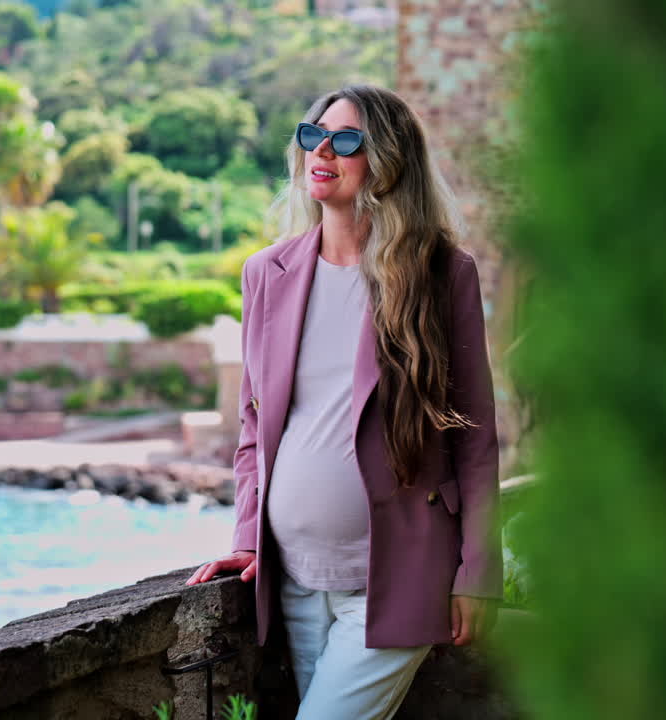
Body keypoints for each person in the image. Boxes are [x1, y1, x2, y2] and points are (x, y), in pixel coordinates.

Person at [186, 85, 502, 718]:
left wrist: (477, 573)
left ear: (387, 161)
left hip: (399, 577)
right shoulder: (266, 274)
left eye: (347, 140)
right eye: (312, 134)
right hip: (296, 582)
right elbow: (255, 426)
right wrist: (248, 537)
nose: (322, 150)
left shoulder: (442, 274)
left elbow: (474, 437)